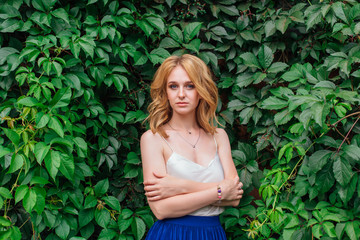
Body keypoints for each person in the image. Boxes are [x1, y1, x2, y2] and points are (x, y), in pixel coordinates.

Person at [140, 54, 244, 240]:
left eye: (190, 86)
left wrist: (179, 186)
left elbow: (234, 196)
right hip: (171, 234)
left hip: (212, 233)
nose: (181, 94)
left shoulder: (219, 137)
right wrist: (219, 191)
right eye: (173, 86)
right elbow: (161, 209)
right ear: (165, 92)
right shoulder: (153, 139)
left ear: (201, 89)